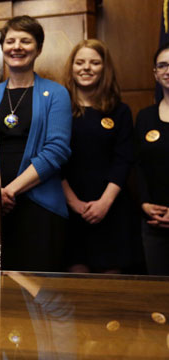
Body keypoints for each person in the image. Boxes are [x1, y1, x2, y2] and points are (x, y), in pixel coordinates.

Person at [0, 16, 72, 272]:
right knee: (2, 295)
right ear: (3, 47)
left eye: (25, 41)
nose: (17, 46)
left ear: (38, 48)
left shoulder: (57, 93)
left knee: (45, 296)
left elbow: (56, 151)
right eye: (10, 41)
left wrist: (10, 191)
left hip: (41, 208)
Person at [61, 39, 134, 274]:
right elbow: (53, 160)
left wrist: (104, 203)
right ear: (71, 68)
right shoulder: (59, 108)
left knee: (111, 291)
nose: (86, 68)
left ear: (105, 69)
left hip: (111, 209)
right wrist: (74, 203)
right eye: (80, 62)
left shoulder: (120, 111)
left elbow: (123, 160)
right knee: (76, 291)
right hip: (70, 208)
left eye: (94, 63)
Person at [134, 42, 169, 275]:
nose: (168, 70)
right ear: (155, 74)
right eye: (162, 65)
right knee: (158, 298)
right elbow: (138, 166)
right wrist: (144, 203)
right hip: (154, 224)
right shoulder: (145, 117)